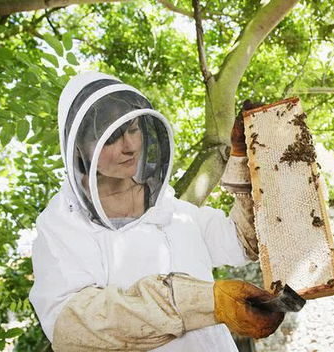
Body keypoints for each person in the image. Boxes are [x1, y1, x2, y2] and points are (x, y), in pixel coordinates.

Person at [29, 71, 284, 351]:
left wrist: (243, 162)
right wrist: (203, 302)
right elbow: (72, 326)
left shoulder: (170, 208)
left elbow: (242, 242)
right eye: (112, 137)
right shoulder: (61, 225)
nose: (130, 147)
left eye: (133, 129)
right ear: (80, 145)